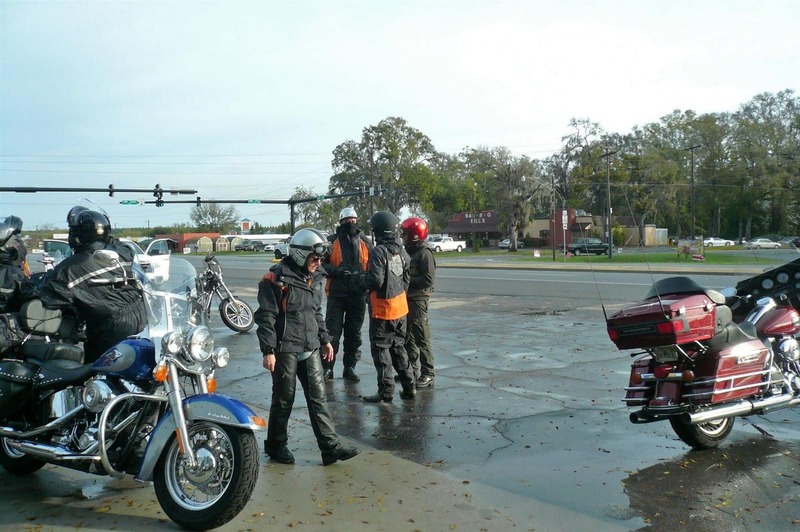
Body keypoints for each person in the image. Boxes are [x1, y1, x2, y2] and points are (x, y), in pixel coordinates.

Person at [255, 228, 360, 466]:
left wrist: (325, 340)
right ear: (301, 254)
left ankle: (330, 448)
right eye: (314, 258)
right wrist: (268, 350)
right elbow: (266, 317)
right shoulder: (276, 279)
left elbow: (315, 312)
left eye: (321, 259)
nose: (318, 262)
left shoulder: (314, 277)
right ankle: (276, 445)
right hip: (285, 347)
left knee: (318, 398)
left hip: (310, 344)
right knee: (284, 399)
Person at [39, 208, 146, 363]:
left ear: (78, 234)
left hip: (110, 327)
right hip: (141, 316)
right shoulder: (123, 252)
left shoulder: (72, 267)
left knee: (96, 370)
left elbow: (49, 296)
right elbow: (116, 242)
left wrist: (34, 284)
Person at [358, 211, 416, 403]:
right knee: (399, 348)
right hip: (401, 309)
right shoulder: (402, 250)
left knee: (381, 351)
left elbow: (375, 280)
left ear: (378, 231)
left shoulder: (379, 251)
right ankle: (409, 387)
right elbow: (407, 278)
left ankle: (386, 392)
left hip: (382, 311)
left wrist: (360, 279)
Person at [321, 207, 372, 382]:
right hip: (336, 294)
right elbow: (320, 264)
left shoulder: (365, 241)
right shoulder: (331, 241)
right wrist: (335, 271)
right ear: (341, 222)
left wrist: (363, 279)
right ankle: (328, 368)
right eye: (347, 220)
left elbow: (373, 266)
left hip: (358, 295)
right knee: (332, 333)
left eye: (353, 219)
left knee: (354, 334)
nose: (350, 222)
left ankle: (350, 367)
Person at [401, 217, 436, 388]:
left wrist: (406, 280)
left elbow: (428, 279)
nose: (403, 237)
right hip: (407, 299)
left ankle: (428, 372)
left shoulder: (424, 252)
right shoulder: (408, 251)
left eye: (405, 234)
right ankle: (411, 371)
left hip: (418, 299)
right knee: (408, 336)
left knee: (421, 336)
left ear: (415, 235)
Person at [0, 216, 37, 313]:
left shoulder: (12, 271)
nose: (18, 244)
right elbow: (31, 297)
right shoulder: (12, 274)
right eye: (16, 241)